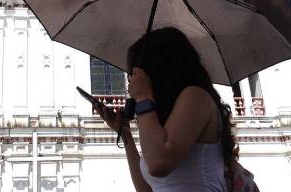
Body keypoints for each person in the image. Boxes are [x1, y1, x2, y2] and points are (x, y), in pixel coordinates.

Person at [96, 27, 237, 192]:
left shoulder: (196, 96)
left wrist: (143, 97)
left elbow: (158, 163)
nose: (131, 82)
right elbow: (147, 188)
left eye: (136, 74)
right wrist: (125, 133)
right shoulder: (164, 120)